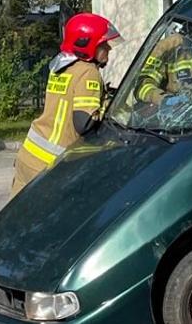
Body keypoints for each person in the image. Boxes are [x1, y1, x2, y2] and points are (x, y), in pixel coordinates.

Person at [13, 13, 119, 195]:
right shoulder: (88, 71)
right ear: (88, 44)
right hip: (49, 165)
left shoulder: (62, 66)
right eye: (104, 45)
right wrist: (105, 109)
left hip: (28, 155)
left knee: (16, 219)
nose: (108, 49)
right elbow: (83, 122)